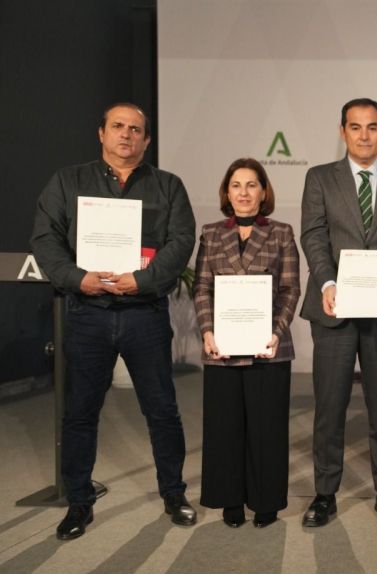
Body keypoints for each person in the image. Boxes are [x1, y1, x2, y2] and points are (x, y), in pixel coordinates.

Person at [31, 102, 197, 540]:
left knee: (162, 411)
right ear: (101, 133)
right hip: (88, 312)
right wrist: (77, 278)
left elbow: (181, 242)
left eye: (136, 129)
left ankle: (174, 493)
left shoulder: (168, 186)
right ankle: (78, 502)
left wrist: (142, 280)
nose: (126, 135)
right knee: (80, 412)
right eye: (118, 126)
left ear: (147, 140)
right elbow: (45, 240)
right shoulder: (67, 182)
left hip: (145, 312)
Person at [299, 98, 377, 526]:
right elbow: (313, 235)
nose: (364, 135)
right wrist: (328, 282)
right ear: (343, 131)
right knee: (330, 407)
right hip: (334, 307)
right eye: (355, 127)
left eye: (372, 127)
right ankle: (324, 494)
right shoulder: (320, 178)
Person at [193, 158, 300, 528]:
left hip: (268, 347)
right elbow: (201, 287)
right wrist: (207, 331)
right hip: (220, 347)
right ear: (226, 192)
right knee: (224, 428)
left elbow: (290, 289)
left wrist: (276, 332)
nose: (243, 192)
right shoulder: (210, 233)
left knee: (267, 429)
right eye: (236, 185)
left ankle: (265, 501)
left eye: (251, 185)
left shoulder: (282, 232)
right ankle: (231, 500)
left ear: (264, 192)